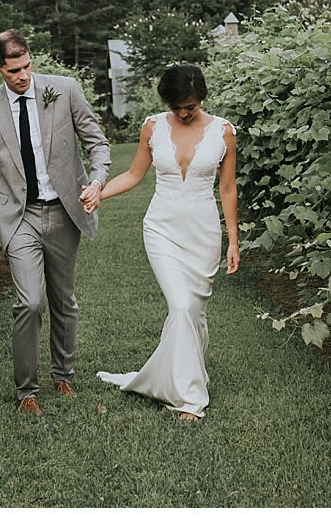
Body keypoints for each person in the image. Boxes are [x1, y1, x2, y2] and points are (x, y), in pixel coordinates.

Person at [0, 29, 111, 414]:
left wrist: (97, 182)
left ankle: (63, 375)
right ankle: (26, 392)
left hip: (65, 211)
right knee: (29, 302)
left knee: (63, 299)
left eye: (27, 66)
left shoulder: (64, 90)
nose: (23, 76)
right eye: (13, 70)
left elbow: (97, 143)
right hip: (20, 216)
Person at [89, 63, 239, 420]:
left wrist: (233, 240)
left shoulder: (224, 132)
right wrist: (99, 192)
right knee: (182, 307)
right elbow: (134, 174)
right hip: (162, 229)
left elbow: (228, 188)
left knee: (195, 313)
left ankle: (183, 373)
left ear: (202, 98)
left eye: (192, 106)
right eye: (178, 108)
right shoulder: (153, 127)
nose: (185, 113)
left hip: (203, 232)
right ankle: (191, 399)